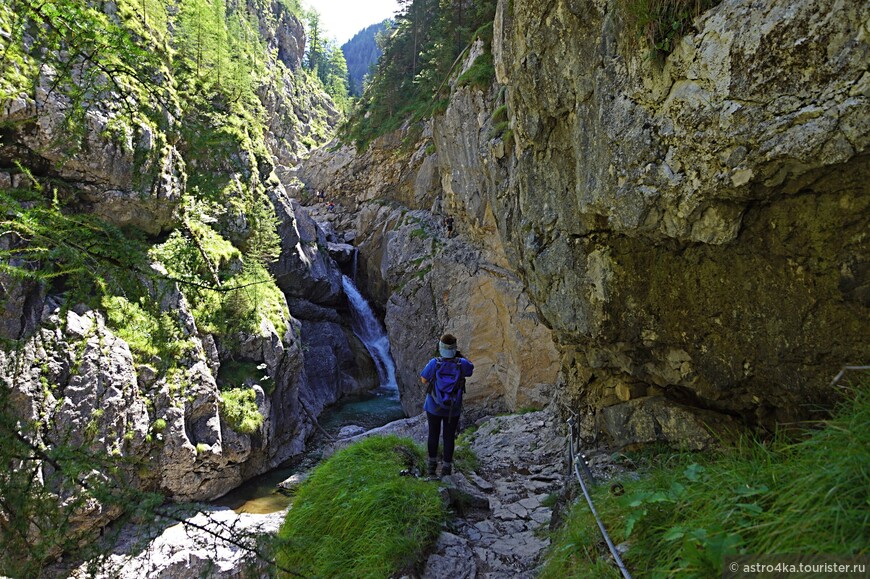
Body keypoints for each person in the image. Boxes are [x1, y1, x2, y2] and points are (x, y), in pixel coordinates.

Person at [420, 333, 474, 477]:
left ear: (441, 348)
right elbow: (470, 370)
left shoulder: (434, 363)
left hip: (433, 406)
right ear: (454, 348)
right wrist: (460, 356)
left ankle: (431, 466)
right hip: (453, 407)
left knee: (433, 434)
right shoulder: (461, 363)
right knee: (449, 436)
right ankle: (446, 468)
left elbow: (424, 380)